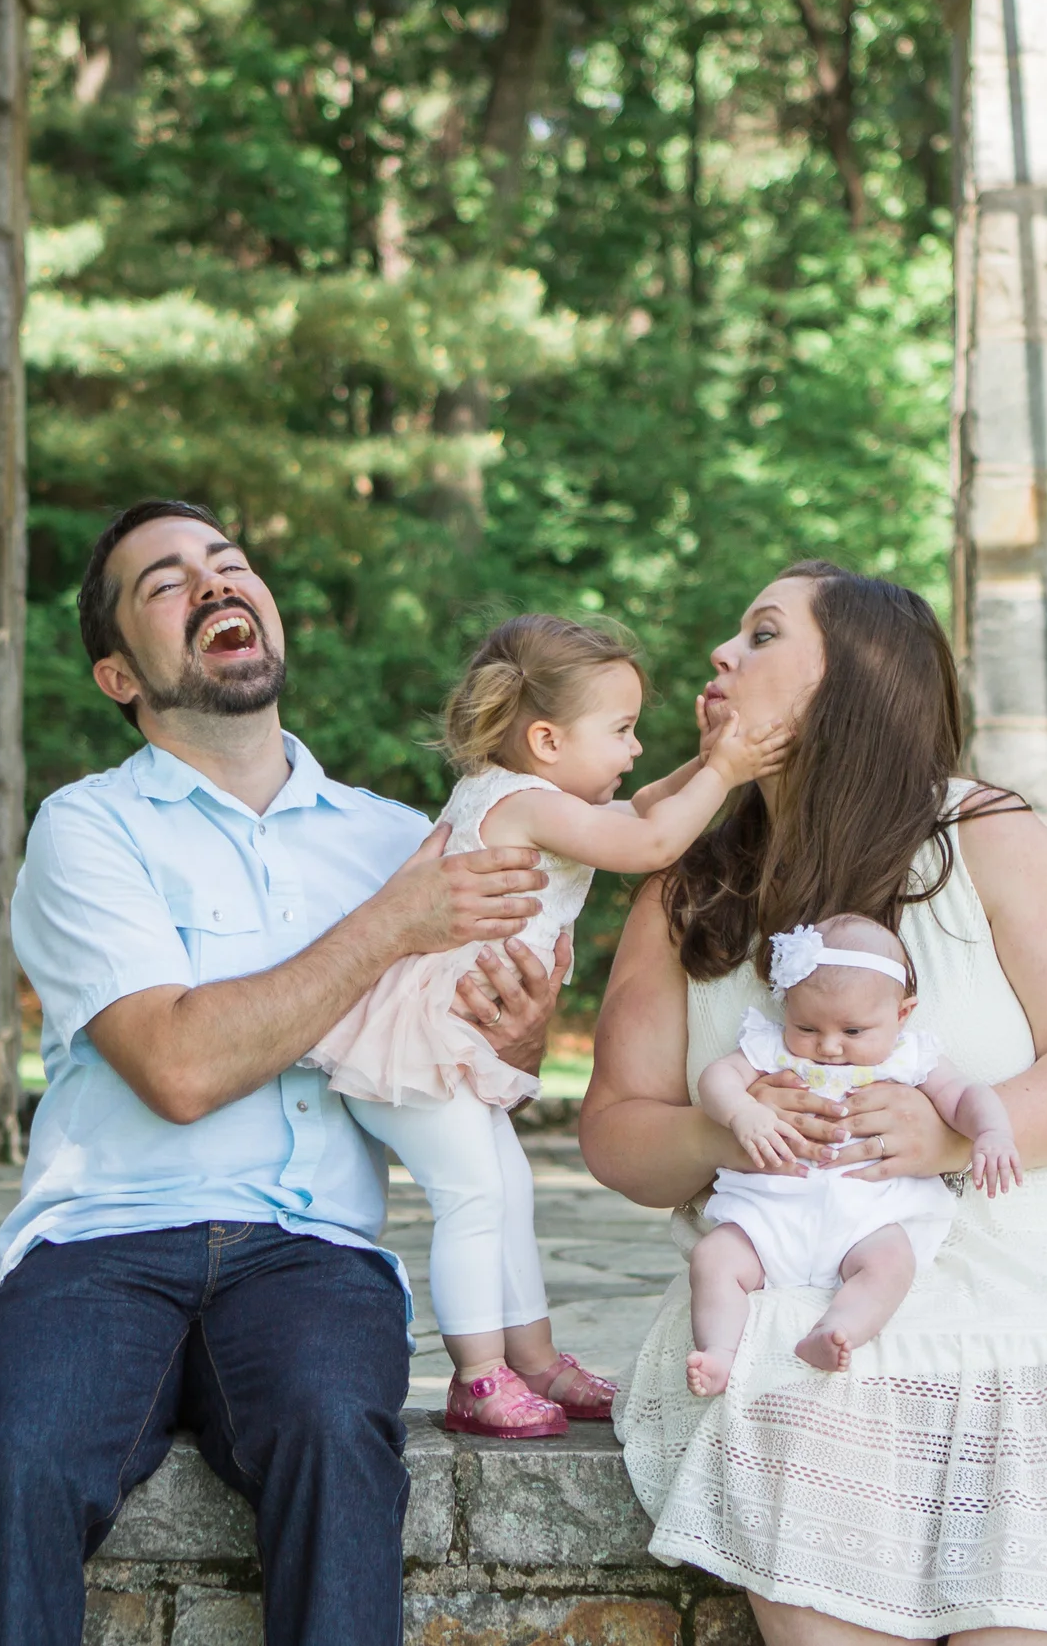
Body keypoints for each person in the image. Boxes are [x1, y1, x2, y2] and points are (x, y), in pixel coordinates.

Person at [582, 561, 1047, 1646]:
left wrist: (952, 1129)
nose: (721, 652)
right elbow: (617, 1129)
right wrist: (732, 1132)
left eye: (763, 633)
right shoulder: (686, 886)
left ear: (855, 680)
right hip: (802, 1290)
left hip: (1043, 1280)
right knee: (789, 1397)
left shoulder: (981, 833)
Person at [0, 501, 571, 1646]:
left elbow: (461, 1063)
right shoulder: (87, 828)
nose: (215, 583)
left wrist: (517, 1031)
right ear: (118, 675)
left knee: (337, 1432)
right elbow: (177, 1066)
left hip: (310, 1252)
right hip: (102, 1245)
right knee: (19, 1450)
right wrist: (388, 927)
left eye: (229, 564)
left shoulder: (398, 839)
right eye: (166, 582)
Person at [307, 613, 788, 1437]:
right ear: (546, 740)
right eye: (622, 730)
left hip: (450, 1037)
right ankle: (476, 1377)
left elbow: (648, 805)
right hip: (421, 1039)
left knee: (509, 1188)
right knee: (473, 1195)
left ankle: (533, 1360)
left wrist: (713, 759)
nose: (637, 748)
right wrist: (728, 770)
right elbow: (653, 840)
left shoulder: (538, 794)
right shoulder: (524, 803)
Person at [685, 913, 1019, 1394]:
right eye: (806, 1026)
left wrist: (992, 1132)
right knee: (714, 1259)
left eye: (854, 1031)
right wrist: (741, 1111)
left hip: (867, 1217)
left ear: (902, 1014)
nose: (828, 1046)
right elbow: (718, 1078)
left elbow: (966, 1096)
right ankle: (719, 1352)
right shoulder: (771, 1046)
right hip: (771, 1212)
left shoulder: (909, 1056)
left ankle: (837, 1330)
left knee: (892, 1263)